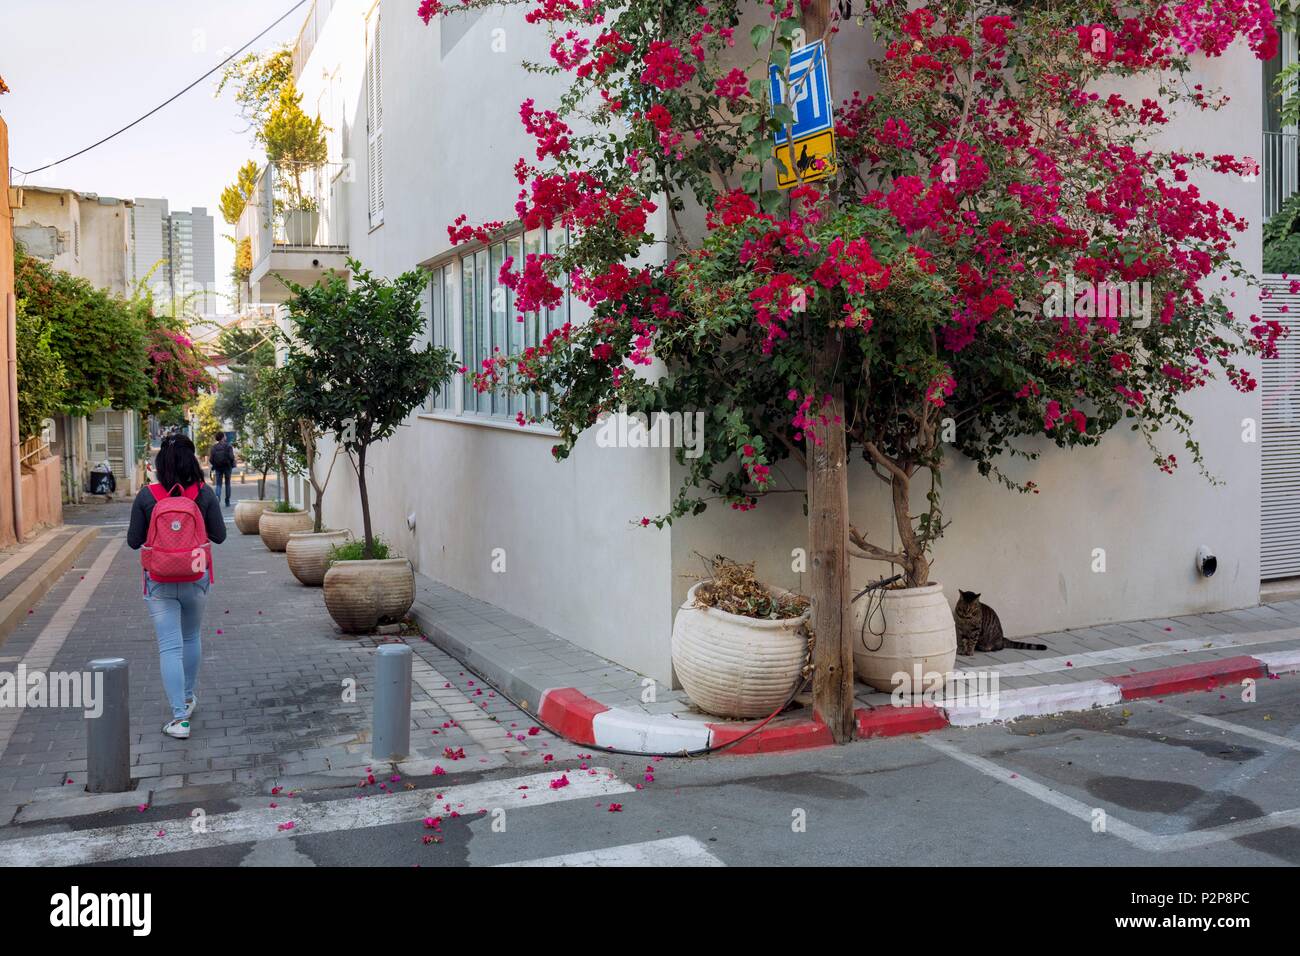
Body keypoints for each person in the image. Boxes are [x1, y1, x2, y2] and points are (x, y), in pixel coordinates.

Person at [127, 435, 227, 739]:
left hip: (159, 580)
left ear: (160, 465)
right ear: (192, 461)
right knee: (191, 636)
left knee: (169, 645)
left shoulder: (148, 495)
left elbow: (134, 541)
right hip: (196, 576)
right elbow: (220, 536)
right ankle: (187, 696)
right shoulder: (203, 492)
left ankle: (179, 718)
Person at [208, 431, 236, 507]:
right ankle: (227, 501)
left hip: (218, 467)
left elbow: (210, 459)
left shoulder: (214, 448)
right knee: (227, 484)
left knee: (218, 484)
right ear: (223, 437)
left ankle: (217, 497)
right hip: (227, 467)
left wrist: (215, 463)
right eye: (224, 436)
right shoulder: (228, 446)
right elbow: (231, 457)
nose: (225, 437)